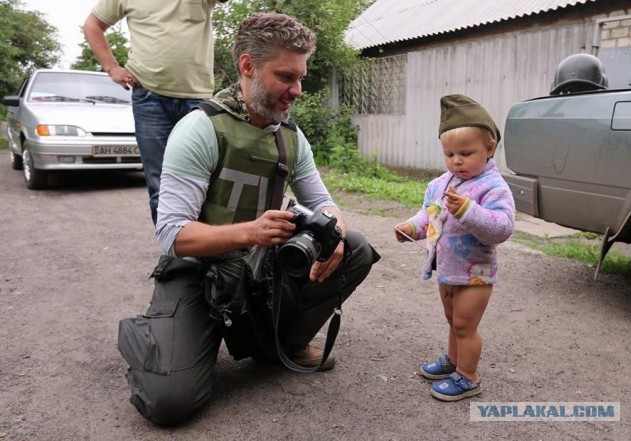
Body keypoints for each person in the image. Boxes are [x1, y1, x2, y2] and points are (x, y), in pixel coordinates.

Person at [117, 12, 379, 425]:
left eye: (300, 78)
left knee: (357, 248)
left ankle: (277, 346)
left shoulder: (291, 136)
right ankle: (153, 336)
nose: (297, 91)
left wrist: (336, 232)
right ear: (247, 66)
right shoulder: (200, 128)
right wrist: (251, 232)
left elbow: (324, 202)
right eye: (285, 77)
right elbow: (171, 235)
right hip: (199, 271)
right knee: (169, 403)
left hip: (259, 269)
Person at [394, 94, 515, 402]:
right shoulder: (440, 184)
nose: (456, 160)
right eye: (449, 154)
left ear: (489, 148)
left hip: (476, 273)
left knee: (465, 324)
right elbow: (429, 215)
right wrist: (411, 227)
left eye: (465, 152)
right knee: (453, 321)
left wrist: (468, 211)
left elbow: (501, 228)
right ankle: (453, 360)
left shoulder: (493, 187)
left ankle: (468, 376)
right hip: (447, 270)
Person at [83, 0, 228, 225]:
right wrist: (112, 68)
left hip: (197, 98)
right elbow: (92, 25)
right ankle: (175, 255)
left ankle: (209, 249)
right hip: (149, 96)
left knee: (208, 180)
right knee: (161, 184)